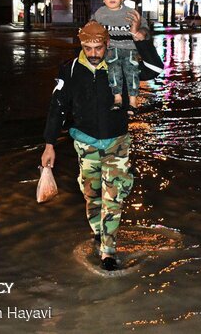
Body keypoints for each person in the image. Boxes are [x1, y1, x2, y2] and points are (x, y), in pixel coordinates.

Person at [41, 21, 136, 271]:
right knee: (91, 193)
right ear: (81, 44)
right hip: (85, 145)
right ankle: (98, 230)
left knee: (113, 197)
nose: (93, 53)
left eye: (98, 48)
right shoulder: (69, 70)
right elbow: (57, 108)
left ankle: (108, 250)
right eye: (87, 47)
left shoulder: (121, 67)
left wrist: (142, 39)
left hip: (117, 143)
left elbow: (154, 68)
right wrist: (49, 144)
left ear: (107, 44)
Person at [92, 0, 149, 115]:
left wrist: (141, 32)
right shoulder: (99, 14)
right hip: (111, 50)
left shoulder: (130, 13)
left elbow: (145, 27)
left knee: (132, 72)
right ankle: (117, 98)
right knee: (113, 71)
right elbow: (92, 26)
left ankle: (133, 101)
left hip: (130, 49)